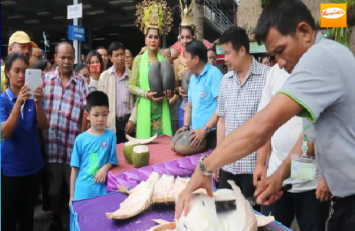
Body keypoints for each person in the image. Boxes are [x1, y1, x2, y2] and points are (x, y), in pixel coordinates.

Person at [175, 1, 355, 230]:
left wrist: (204, 167)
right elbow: (309, 137)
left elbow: (261, 127)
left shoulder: (320, 58)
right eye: (273, 55)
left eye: (281, 51)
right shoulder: (326, 57)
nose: (279, 63)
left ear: (305, 32)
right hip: (344, 199)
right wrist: (279, 175)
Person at [255, 63, 329, 230]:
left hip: (312, 183)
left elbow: (330, 129)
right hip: (276, 179)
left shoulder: (319, 72)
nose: (281, 61)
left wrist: (328, 176)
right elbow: (265, 123)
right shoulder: (274, 73)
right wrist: (261, 163)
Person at [212, 27, 269, 213]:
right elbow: (221, 121)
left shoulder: (266, 78)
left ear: (242, 50)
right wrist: (218, 158)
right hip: (228, 164)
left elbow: (269, 126)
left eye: (227, 53)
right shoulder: (226, 80)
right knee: (224, 214)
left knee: (250, 217)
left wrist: (263, 163)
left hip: (253, 167)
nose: (224, 58)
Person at [42, 42, 88, 231]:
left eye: (70, 57)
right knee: (53, 185)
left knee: (73, 186)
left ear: (74, 58)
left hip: (72, 145)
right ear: (55, 58)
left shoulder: (81, 82)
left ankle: (74, 220)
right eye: (62, 57)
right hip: (51, 144)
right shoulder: (45, 80)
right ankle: (55, 219)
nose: (66, 61)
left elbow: (86, 110)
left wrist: (83, 136)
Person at [1, 53, 48, 231]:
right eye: (16, 71)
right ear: (7, 73)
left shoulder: (32, 98)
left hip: (32, 167)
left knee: (27, 218)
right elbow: (6, 132)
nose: (21, 76)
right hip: (11, 170)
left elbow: (44, 125)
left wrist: (37, 103)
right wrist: (18, 103)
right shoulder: (3, 100)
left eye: (24, 71)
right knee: (8, 219)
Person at [129, 0, 174, 138]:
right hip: (145, 111)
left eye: (156, 37)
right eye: (150, 37)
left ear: (159, 40)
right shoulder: (138, 60)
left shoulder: (165, 61)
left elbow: (170, 86)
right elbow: (131, 86)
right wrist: (145, 93)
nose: (153, 40)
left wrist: (169, 93)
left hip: (162, 110)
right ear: (145, 39)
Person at [70, 91, 118, 204]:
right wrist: (72, 196)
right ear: (87, 115)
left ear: (108, 113)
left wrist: (105, 168)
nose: (100, 119)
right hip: (82, 192)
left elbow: (113, 161)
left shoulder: (111, 136)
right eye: (96, 115)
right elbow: (74, 169)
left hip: (101, 192)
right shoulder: (80, 139)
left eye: (104, 114)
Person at [175, 41, 222, 151]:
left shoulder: (214, 74)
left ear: (196, 59)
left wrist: (205, 130)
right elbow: (189, 106)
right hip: (195, 133)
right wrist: (186, 126)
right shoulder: (192, 79)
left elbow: (222, 107)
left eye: (186, 58)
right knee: (174, 145)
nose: (185, 62)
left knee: (180, 148)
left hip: (212, 134)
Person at [98, 42, 136, 143]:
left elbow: (138, 102)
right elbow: (100, 103)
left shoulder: (133, 76)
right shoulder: (104, 76)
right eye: (116, 55)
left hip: (128, 122)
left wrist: (132, 120)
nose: (120, 58)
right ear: (111, 58)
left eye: (122, 54)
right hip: (110, 124)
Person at [173, 0, 196, 128]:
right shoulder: (177, 62)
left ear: (194, 37)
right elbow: (174, 87)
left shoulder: (200, 60)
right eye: (182, 37)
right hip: (183, 107)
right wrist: (179, 90)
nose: (185, 41)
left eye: (188, 37)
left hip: (199, 106)